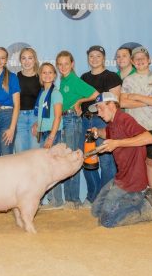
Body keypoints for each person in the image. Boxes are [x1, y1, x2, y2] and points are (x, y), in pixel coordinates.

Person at [88, 92, 152, 227]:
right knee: (95, 211)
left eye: (100, 108)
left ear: (111, 105)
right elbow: (108, 133)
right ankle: (137, 198)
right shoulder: (112, 122)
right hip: (120, 179)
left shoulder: (125, 119)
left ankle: (148, 208)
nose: (98, 113)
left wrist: (116, 143)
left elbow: (150, 138)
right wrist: (97, 132)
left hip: (133, 183)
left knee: (106, 221)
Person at [120, 46, 152, 202]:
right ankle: (136, 198)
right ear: (132, 62)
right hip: (133, 128)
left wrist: (136, 96)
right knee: (135, 164)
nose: (140, 61)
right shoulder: (128, 80)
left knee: (150, 162)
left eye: (143, 58)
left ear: (149, 60)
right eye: (136, 58)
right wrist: (147, 102)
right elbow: (123, 102)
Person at [56, 50, 99, 208]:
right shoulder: (64, 80)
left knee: (72, 158)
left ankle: (73, 200)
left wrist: (80, 101)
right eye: (60, 64)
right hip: (65, 119)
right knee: (68, 158)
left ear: (72, 64)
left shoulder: (73, 80)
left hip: (72, 119)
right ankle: (70, 198)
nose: (63, 67)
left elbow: (96, 94)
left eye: (66, 63)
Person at [80, 45, 122, 205]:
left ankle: (106, 198)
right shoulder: (83, 77)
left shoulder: (111, 76)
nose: (94, 59)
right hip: (85, 120)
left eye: (98, 56)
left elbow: (115, 101)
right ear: (88, 58)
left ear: (104, 58)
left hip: (102, 120)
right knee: (88, 158)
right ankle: (93, 195)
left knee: (106, 160)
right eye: (91, 56)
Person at [32, 63, 64, 210]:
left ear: (55, 75)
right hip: (44, 132)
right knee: (46, 169)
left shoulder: (55, 93)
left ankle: (57, 200)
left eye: (50, 72)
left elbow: (57, 117)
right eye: (44, 73)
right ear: (40, 75)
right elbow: (42, 113)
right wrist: (36, 124)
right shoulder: (43, 93)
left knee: (53, 169)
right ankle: (51, 199)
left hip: (53, 133)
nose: (47, 75)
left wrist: (51, 137)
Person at [14, 47, 40, 153]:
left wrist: (39, 121)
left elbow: (47, 102)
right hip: (19, 118)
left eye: (30, 58)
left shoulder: (42, 77)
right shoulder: (15, 77)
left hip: (36, 118)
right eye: (24, 58)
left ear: (35, 60)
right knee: (20, 154)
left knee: (35, 155)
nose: (27, 61)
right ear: (20, 60)